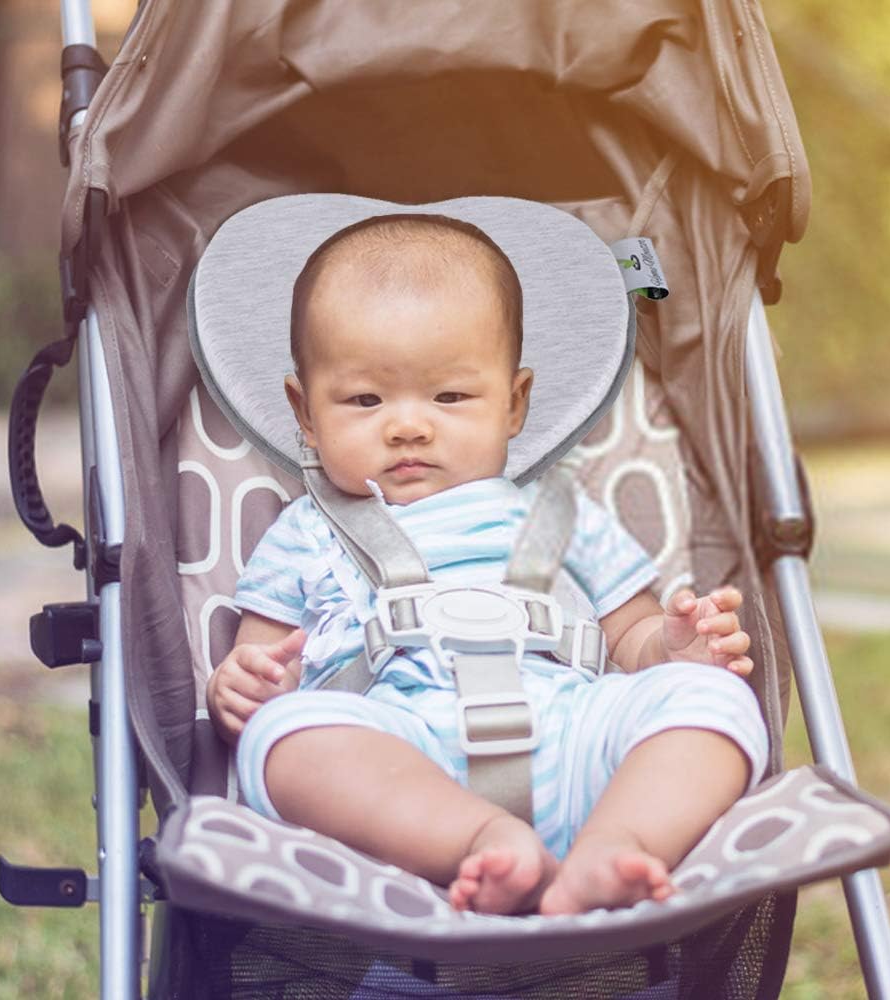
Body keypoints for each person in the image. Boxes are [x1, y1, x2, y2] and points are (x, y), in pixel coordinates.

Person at [206, 213, 768, 917]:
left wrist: (673, 650)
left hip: (574, 743)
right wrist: (249, 687)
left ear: (514, 402)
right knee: (280, 742)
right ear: (306, 413)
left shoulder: (564, 513)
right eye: (364, 400)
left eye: (449, 397)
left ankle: (616, 846)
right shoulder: (305, 533)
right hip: (401, 765)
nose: (408, 426)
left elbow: (631, 636)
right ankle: (484, 842)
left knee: (716, 703)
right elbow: (261, 663)